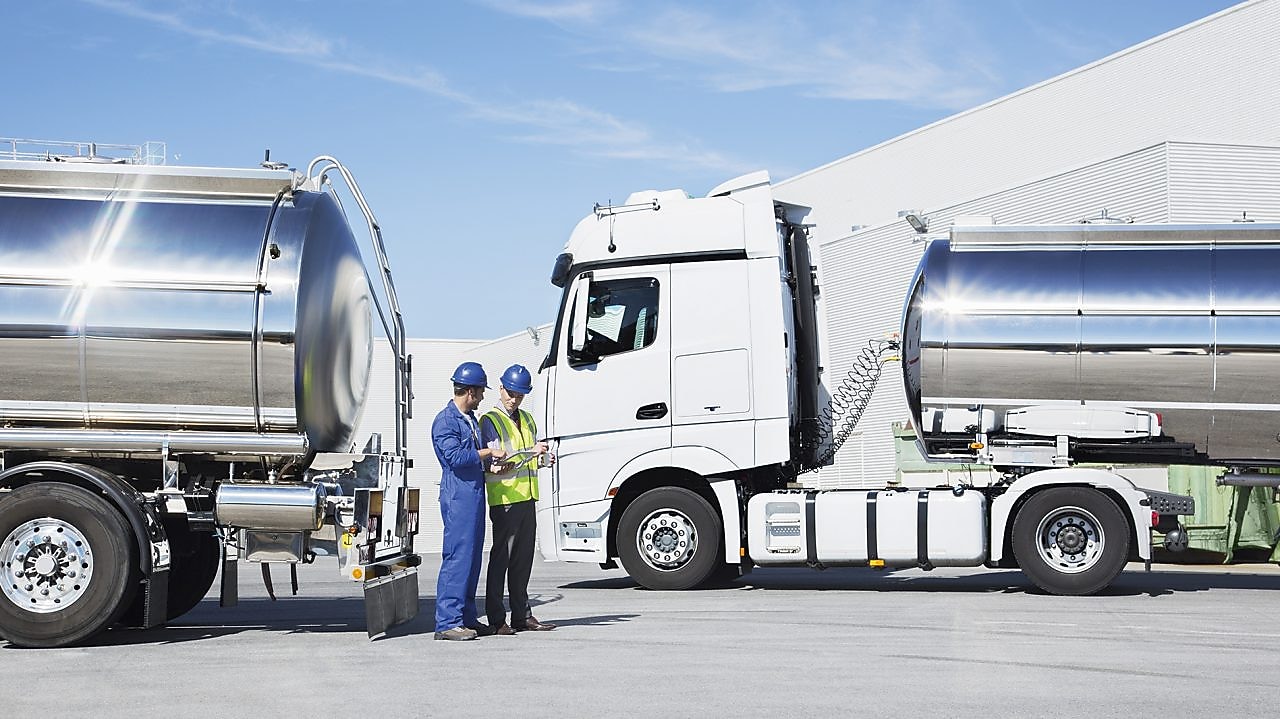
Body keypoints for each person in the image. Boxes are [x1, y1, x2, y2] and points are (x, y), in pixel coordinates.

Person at [479, 364, 557, 634]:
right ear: (500, 388)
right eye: (510, 393)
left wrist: (543, 459)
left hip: (527, 498)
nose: (514, 399)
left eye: (520, 395)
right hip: (505, 500)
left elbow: (526, 457)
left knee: (523, 560)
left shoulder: (528, 419)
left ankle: (522, 616)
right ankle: (497, 619)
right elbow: (492, 461)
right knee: (502, 560)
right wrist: (527, 453)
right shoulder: (489, 420)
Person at [432, 361, 507, 641]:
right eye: (481, 392)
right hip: (458, 496)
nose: (483, 397)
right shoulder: (446, 421)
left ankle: (466, 617)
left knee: (472, 558)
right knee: (457, 558)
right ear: (471, 392)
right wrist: (488, 453)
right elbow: (455, 458)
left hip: (474, 493)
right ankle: (447, 622)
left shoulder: (469, 420)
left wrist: (491, 465)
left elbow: (472, 459)